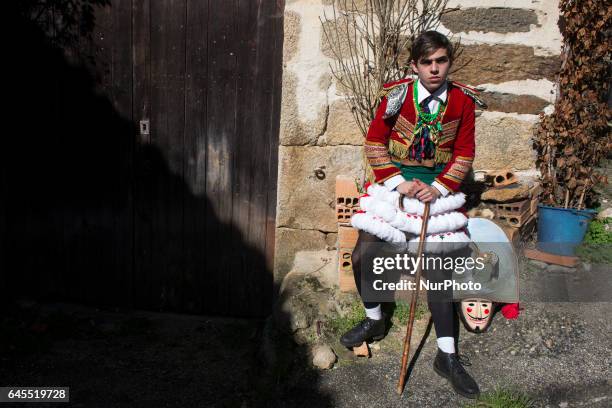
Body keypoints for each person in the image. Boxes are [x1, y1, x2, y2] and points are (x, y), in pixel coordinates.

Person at [341, 30, 484, 399]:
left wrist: (437, 188)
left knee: (438, 270)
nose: (435, 69)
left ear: (449, 62)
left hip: (438, 194)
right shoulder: (396, 96)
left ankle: (447, 355)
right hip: (396, 190)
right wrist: (400, 182)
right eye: (427, 62)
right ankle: (375, 320)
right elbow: (374, 142)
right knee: (363, 255)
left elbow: (464, 154)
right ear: (414, 65)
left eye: (441, 61)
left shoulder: (462, 101)